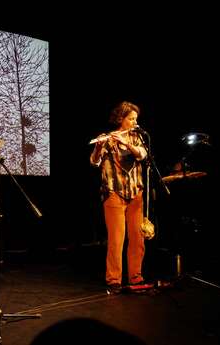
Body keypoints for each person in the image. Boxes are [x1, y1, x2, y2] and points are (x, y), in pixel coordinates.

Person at [90, 101, 152, 295]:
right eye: (131, 119)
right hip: (114, 193)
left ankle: (136, 277)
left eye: (136, 119)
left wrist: (127, 143)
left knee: (137, 238)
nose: (134, 122)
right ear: (121, 119)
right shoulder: (107, 138)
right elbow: (94, 161)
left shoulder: (138, 138)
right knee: (116, 239)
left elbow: (142, 155)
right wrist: (99, 147)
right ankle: (114, 279)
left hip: (135, 193)